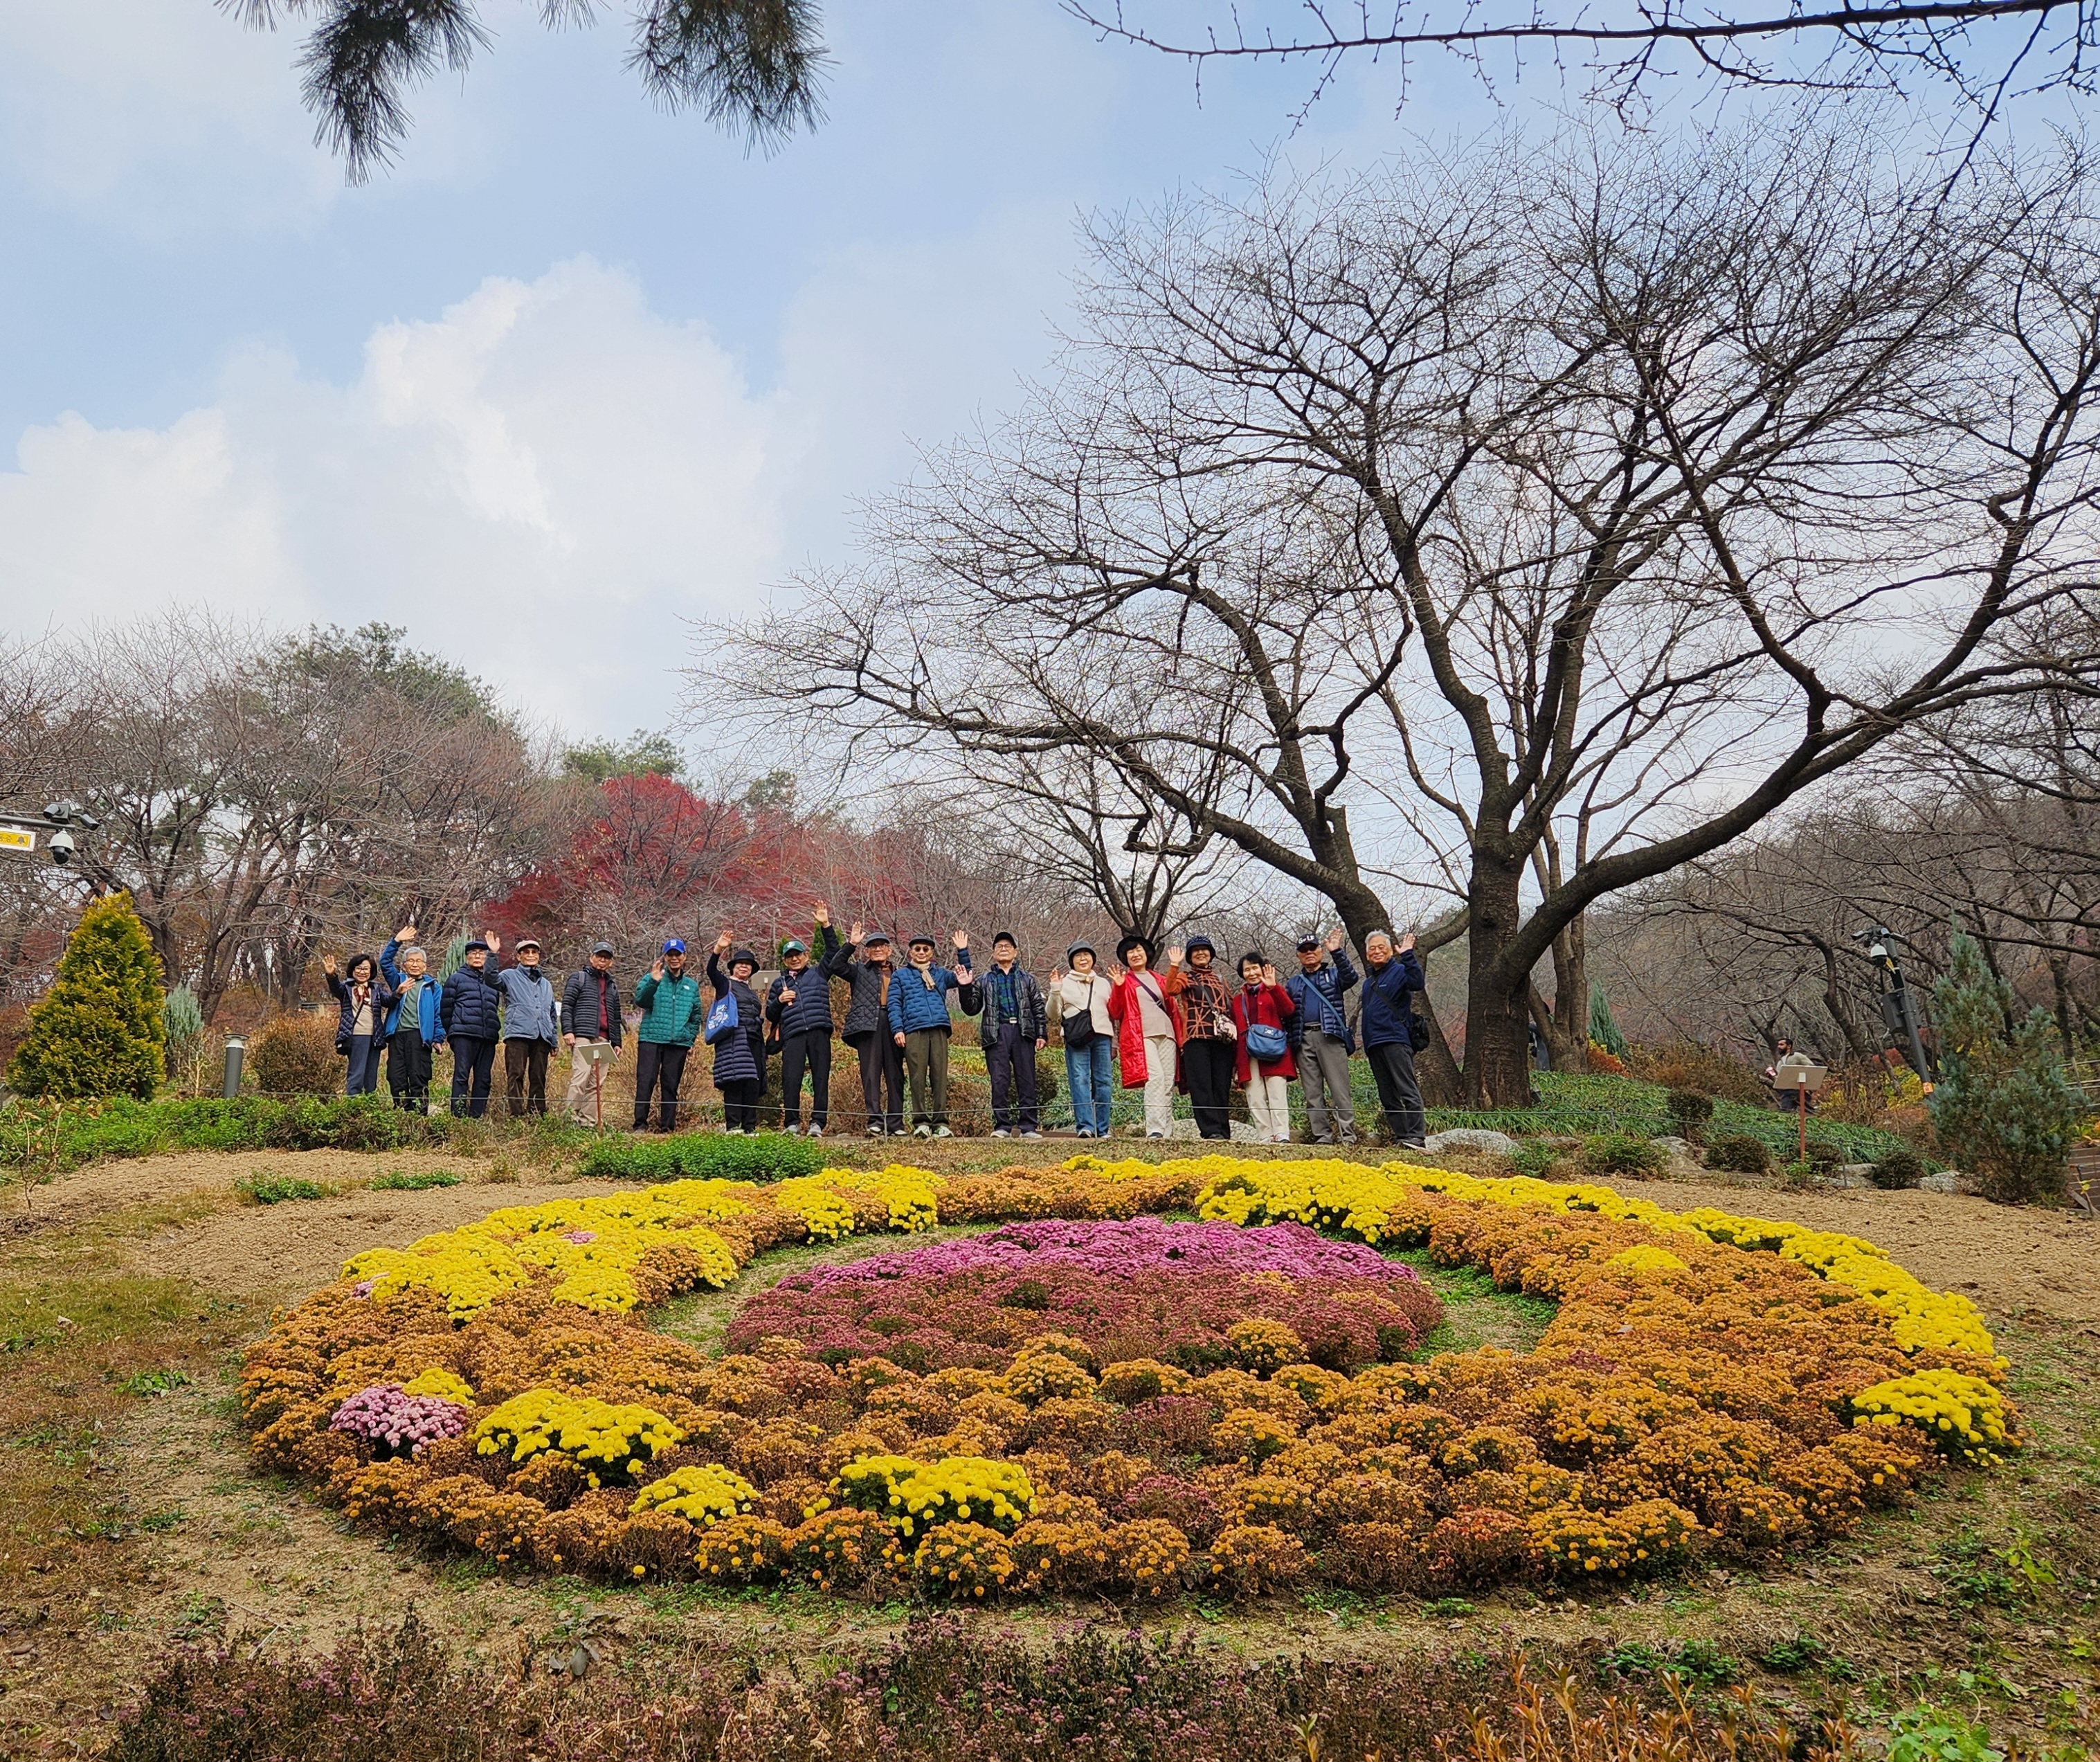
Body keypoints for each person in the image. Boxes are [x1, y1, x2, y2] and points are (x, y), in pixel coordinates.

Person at [888, 931, 974, 1138]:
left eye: (925, 949)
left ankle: (941, 1122)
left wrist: (962, 951)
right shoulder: (900, 975)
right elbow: (894, 1004)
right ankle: (921, 1122)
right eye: (917, 949)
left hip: (938, 1028)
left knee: (939, 1077)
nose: (921, 952)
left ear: (931, 953)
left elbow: (964, 975)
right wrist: (898, 1029)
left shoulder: (941, 974)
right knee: (917, 1077)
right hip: (913, 1029)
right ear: (911, 952)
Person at [768, 906, 843, 1136]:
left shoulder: (819, 973)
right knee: (791, 1078)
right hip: (793, 1034)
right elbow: (770, 1014)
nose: (795, 959)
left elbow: (834, 951)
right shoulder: (779, 983)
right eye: (790, 956)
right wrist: (779, 1000)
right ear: (784, 960)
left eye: (798, 954)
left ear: (806, 956)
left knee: (821, 1078)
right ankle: (792, 1123)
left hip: (819, 1030)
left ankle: (817, 1123)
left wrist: (825, 925)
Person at [1287, 928, 1359, 1146]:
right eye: (1304, 950)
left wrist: (1337, 951)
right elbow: (1287, 1012)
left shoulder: (1334, 974)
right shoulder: (1294, 983)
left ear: (1320, 951)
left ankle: (1348, 1136)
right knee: (1312, 1092)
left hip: (1330, 1036)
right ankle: (1322, 1136)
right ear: (1298, 955)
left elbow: (1351, 977)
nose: (1309, 953)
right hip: (1303, 1038)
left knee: (1339, 1089)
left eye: (1313, 948)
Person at [1107, 933, 1184, 1140]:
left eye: (1138, 949)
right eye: (1130, 952)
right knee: (1155, 1078)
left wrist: (1174, 965)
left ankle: (1166, 1132)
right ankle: (1155, 1129)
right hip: (1141, 1036)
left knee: (1167, 1082)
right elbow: (1115, 1012)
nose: (1135, 954)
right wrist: (1118, 987)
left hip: (1167, 1034)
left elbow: (1173, 1007)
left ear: (1147, 953)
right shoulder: (1124, 981)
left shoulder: (1159, 979)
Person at [1359, 930, 1427, 1149]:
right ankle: (1402, 1136)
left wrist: (1407, 955)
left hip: (1395, 1040)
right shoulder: (1368, 983)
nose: (1377, 951)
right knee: (1387, 1095)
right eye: (1372, 948)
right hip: (1374, 1044)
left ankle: (1417, 1136)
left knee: (1406, 1088)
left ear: (1390, 951)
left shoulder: (1399, 971)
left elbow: (1417, 983)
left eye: (1382, 947)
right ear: (1367, 954)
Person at [975, 931, 1047, 1139]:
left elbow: (1038, 1008)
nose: (1003, 949)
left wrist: (1041, 1033)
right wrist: (964, 986)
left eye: (1008, 946)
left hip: (1023, 1031)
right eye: (999, 946)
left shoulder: (1027, 979)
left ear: (1016, 952)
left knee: (1027, 1079)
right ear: (993, 953)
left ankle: (1029, 1126)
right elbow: (972, 1007)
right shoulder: (985, 980)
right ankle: (1002, 1126)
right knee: (999, 1080)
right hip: (997, 1032)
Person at [835, 925, 904, 1135]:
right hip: (867, 1025)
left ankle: (896, 1123)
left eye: (881, 946)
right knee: (871, 1074)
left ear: (889, 950)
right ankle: (875, 1120)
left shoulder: (900, 974)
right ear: (867, 951)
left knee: (895, 1074)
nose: (877, 949)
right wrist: (851, 943)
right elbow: (836, 965)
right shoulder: (859, 970)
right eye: (873, 946)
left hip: (894, 1023)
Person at [633, 937, 703, 1131]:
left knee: (671, 1085)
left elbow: (696, 1016)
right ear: (665, 957)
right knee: (645, 1082)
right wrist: (653, 982)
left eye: (677, 954)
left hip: (678, 1042)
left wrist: (689, 1038)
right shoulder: (653, 977)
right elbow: (641, 1001)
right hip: (651, 1038)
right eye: (670, 955)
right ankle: (640, 1125)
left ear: (684, 956)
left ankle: (668, 1127)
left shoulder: (691, 986)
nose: (674, 958)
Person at [1174, 935, 1237, 1140]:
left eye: (1205, 950)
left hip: (1222, 1038)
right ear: (1190, 957)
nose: (1201, 953)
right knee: (1201, 1085)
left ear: (1211, 954)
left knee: (1221, 1085)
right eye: (1196, 951)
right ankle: (1210, 1130)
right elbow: (1171, 989)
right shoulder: (1186, 976)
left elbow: (1230, 1006)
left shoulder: (1220, 979)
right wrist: (1174, 965)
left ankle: (1223, 1130)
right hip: (1196, 1036)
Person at [1050, 944, 1116, 1138]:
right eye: (1078, 956)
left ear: (1093, 959)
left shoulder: (1104, 983)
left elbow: (1113, 1013)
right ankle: (1085, 1126)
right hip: (1077, 1038)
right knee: (1079, 1080)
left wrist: (1115, 1042)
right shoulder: (1064, 982)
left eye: (1086, 954)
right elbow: (1053, 1014)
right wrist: (1055, 990)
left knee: (1104, 1082)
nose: (1083, 959)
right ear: (1072, 961)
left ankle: (1102, 1129)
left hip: (1102, 1036)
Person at [1232, 951, 1298, 1142]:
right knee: (1255, 1095)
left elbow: (1288, 1010)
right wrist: (1235, 1065)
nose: (1252, 973)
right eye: (1247, 970)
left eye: (1255, 968)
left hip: (1274, 1050)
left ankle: (1282, 1133)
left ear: (1263, 969)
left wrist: (1274, 987)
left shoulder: (1274, 991)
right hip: (1248, 1053)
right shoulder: (1238, 1000)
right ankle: (1265, 1135)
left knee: (1277, 1091)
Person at [378, 923, 443, 1113]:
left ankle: (420, 1115)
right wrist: (397, 941)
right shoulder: (398, 980)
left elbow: (438, 1015)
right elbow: (385, 963)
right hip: (397, 1035)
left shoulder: (433, 987)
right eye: (411, 961)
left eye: (419, 961)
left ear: (425, 965)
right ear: (404, 965)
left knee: (418, 1075)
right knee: (396, 1076)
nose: (415, 964)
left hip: (420, 1038)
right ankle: (401, 1112)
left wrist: (438, 1039)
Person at [440, 933, 504, 1118]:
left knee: (483, 1078)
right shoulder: (456, 979)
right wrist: (452, 1033)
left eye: (481, 953)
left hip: (488, 1036)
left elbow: (494, 1007)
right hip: (463, 1034)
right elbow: (446, 1009)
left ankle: (476, 1116)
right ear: (467, 957)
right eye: (473, 953)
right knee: (461, 1075)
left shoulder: (492, 982)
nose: (477, 956)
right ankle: (458, 1115)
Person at [705, 933, 763, 1132]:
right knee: (735, 1080)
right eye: (740, 964)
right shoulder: (725, 985)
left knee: (752, 1083)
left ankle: (750, 1127)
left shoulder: (751, 991)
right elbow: (711, 971)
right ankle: (733, 1126)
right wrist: (718, 949)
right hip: (734, 1039)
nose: (744, 967)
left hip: (754, 1039)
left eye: (748, 964)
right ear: (733, 967)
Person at [495, 936, 560, 1117]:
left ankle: (537, 1113)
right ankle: (517, 1114)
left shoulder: (546, 984)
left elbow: (551, 1014)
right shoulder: (509, 976)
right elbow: (490, 979)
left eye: (534, 952)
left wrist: (554, 1040)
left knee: (538, 1076)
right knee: (516, 1074)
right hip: (518, 1033)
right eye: (526, 952)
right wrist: (493, 954)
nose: (531, 955)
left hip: (542, 1035)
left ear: (538, 956)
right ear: (519, 956)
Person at [561, 941, 624, 1124]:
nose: (602, 960)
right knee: (581, 1075)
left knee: (597, 1082)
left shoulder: (612, 986)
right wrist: (568, 1030)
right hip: (583, 1034)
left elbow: (616, 1016)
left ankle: (588, 1121)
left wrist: (617, 1042)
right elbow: (567, 1006)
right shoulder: (579, 978)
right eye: (599, 956)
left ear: (611, 962)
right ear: (591, 958)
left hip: (604, 1038)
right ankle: (570, 1119)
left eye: (606, 958)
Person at [323, 951, 395, 1097]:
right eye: (359, 968)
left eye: (366, 969)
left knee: (371, 1076)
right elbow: (336, 989)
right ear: (353, 970)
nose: (362, 972)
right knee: (357, 1073)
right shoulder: (347, 988)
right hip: (356, 1035)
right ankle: (353, 1104)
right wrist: (331, 975)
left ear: (371, 971)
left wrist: (399, 992)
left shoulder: (376, 989)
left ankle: (369, 1105)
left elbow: (389, 1001)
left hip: (375, 1037)